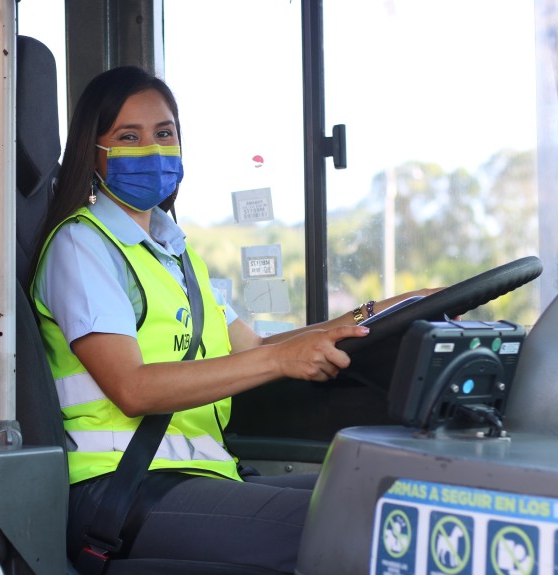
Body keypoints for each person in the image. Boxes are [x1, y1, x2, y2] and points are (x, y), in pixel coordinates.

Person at [29, 66, 437, 573]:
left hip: (197, 472)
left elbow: (251, 349)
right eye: (128, 137)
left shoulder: (173, 252)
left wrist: (382, 311)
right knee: (360, 522)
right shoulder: (81, 246)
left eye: (164, 133)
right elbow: (132, 388)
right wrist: (284, 360)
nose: (152, 150)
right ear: (95, 153)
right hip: (118, 487)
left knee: (388, 496)